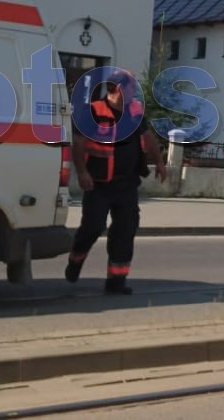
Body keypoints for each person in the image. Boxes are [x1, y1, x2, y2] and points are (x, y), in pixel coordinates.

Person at [65, 70, 167, 296]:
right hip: (98, 184)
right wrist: (82, 173)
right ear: (119, 89)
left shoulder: (134, 111)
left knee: (125, 231)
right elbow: (78, 143)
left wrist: (160, 162)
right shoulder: (93, 111)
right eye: (132, 87)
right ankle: (75, 260)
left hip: (127, 184)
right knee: (92, 227)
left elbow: (148, 138)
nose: (135, 91)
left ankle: (116, 282)